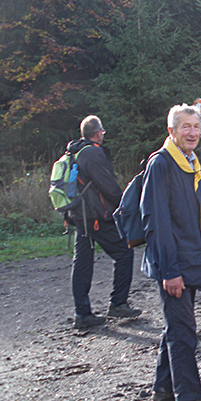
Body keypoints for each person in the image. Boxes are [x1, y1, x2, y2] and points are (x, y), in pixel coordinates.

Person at [140, 104, 201, 401]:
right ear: (172, 132)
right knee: (183, 332)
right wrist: (169, 271)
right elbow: (156, 222)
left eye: (196, 126)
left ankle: (163, 392)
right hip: (173, 266)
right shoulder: (162, 164)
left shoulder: (191, 162)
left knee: (175, 329)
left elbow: (200, 215)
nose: (192, 132)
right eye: (185, 127)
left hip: (191, 260)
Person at [66, 115, 141, 330]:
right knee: (124, 252)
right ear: (98, 133)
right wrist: (124, 205)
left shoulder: (74, 151)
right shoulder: (93, 152)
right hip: (95, 216)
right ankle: (118, 303)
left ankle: (82, 313)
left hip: (79, 215)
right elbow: (107, 186)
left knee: (82, 263)